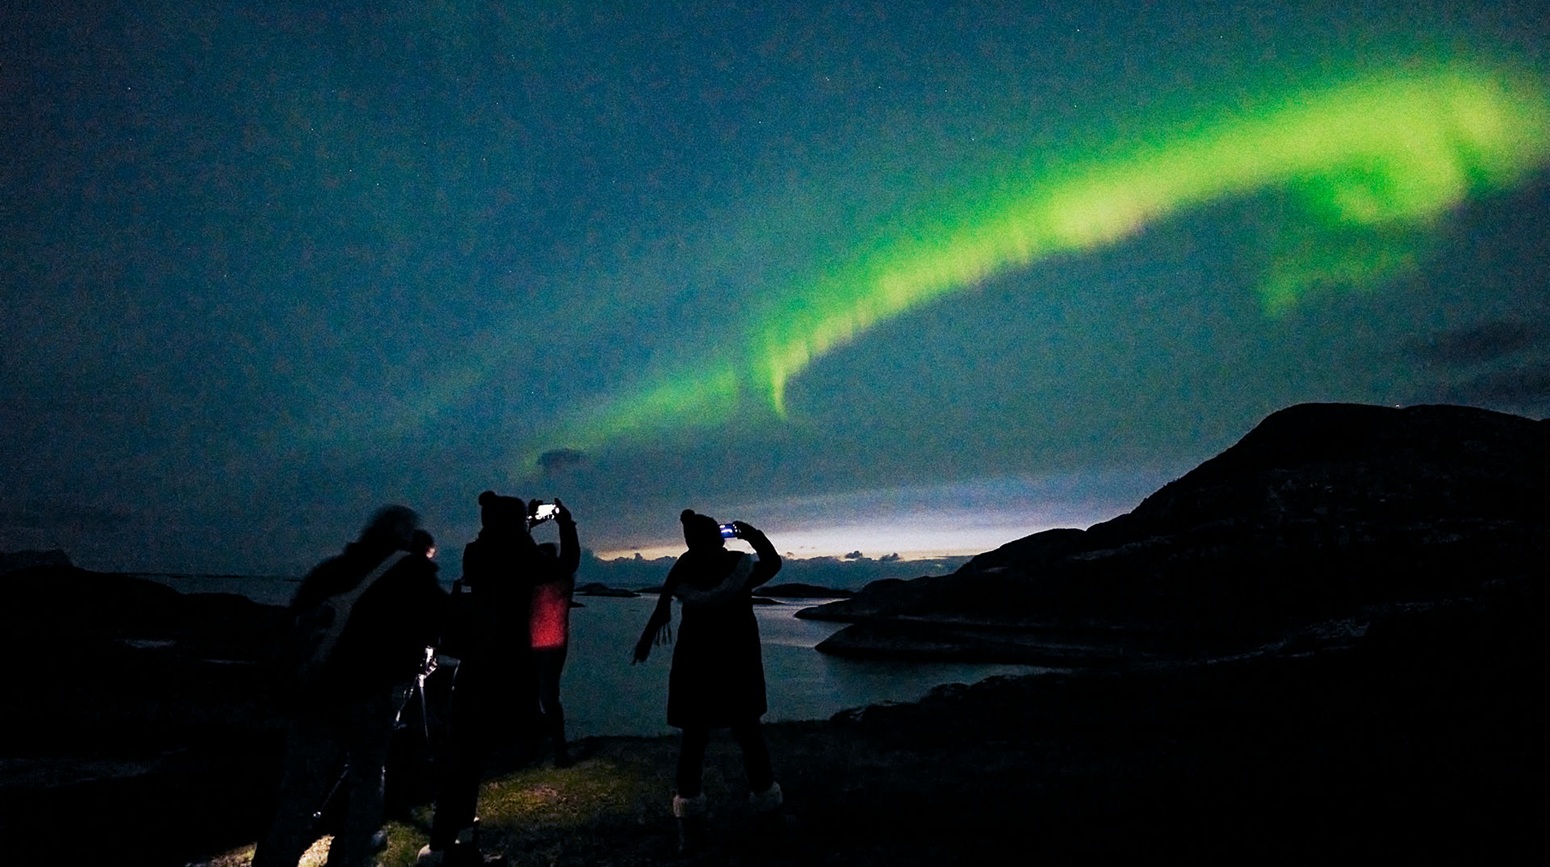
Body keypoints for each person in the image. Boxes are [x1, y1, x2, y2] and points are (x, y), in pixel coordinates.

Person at [254, 505, 447, 867]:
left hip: (315, 694)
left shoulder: (330, 570)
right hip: (372, 698)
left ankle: (275, 859)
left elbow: (292, 628)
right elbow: (444, 622)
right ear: (406, 536)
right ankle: (351, 856)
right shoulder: (412, 574)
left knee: (300, 792)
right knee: (367, 778)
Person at [633, 509, 784, 854]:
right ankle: (769, 814)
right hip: (738, 661)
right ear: (718, 536)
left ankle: (691, 826)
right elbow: (773, 563)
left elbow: (666, 603)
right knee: (749, 734)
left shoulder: (684, 569)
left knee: (694, 741)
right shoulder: (739, 566)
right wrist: (753, 535)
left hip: (695, 663)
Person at [418, 491, 540, 866]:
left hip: (472, 666)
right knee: (469, 762)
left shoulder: (477, 551)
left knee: (463, 760)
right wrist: (564, 524)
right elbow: (561, 563)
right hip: (502, 668)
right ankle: (448, 847)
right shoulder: (521, 553)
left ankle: (451, 845)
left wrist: (522, 526)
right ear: (515, 524)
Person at [527, 499, 580, 767]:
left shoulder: (540, 576)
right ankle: (555, 750)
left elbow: (516, 552)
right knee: (546, 697)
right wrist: (565, 523)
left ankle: (552, 750)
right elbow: (570, 556)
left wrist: (526, 524)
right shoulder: (562, 575)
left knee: (541, 697)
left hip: (541, 644)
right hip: (553, 644)